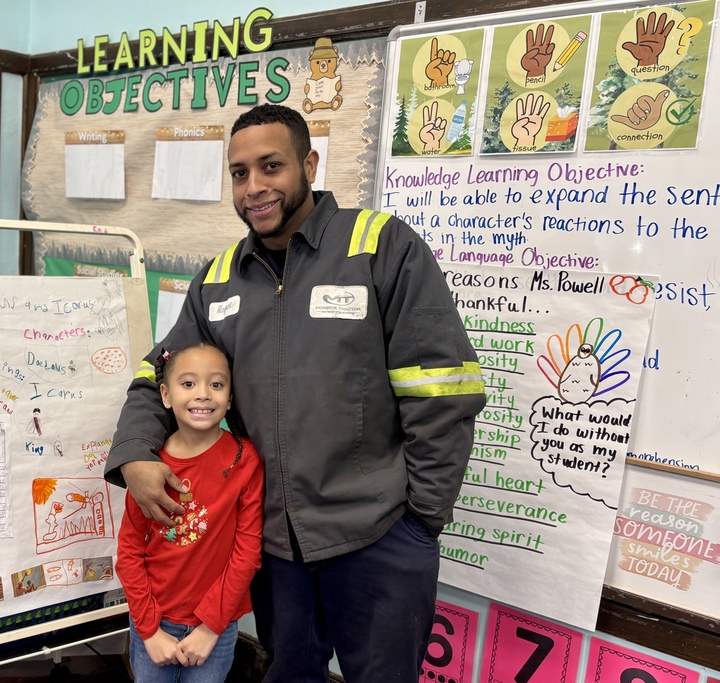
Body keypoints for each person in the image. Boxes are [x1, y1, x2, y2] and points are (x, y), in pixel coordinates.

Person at [106, 103, 485, 682]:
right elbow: (157, 373)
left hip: (379, 537)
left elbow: (443, 390)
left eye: (271, 166)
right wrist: (134, 452)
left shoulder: (381, 247)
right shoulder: (218, 279)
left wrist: (421, 520)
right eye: (239, 172)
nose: (254, 187)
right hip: (272, 547)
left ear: (309, 163)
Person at [114, 342, 264, 682]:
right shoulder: (148, 467)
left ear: (230, 397)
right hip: (153, 623)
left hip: (216, 626)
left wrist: (212, 627)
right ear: (165, 395)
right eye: (188, 384)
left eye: (216, 384)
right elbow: (129, 554)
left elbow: (248, 551)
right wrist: (150, 630)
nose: (203, 394)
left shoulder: (245, 460)